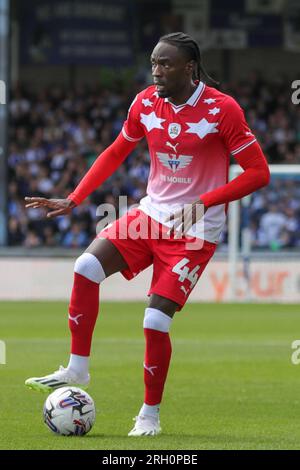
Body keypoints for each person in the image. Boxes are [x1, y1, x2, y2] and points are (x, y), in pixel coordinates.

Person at [24, 32, 270, 436]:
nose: (156, 70)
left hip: (195, 231)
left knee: (155, 320)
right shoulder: (144, 102)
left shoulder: (222, 110)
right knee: (86, 265)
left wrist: (203, 203)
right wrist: (75, 198)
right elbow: (117, 150)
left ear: (189, 67)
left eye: (165, 64)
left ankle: (149, 416)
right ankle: (77, 368)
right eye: (154, 62)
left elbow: (258, 173)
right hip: (149, 215)